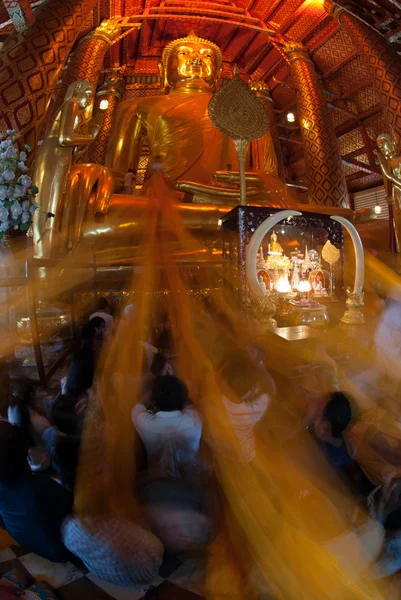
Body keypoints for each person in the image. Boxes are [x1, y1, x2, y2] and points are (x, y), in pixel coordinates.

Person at [0, 420, 73, 562]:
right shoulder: (39, 488)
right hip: (60, 551)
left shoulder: (11, 486)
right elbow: (73, 506)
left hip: (26, 542)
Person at [62, 515, 163, 586]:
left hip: (103, 574)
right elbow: (157, 549)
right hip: (142, 575)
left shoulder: (71, 527)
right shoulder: (122, 526)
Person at [132, 376, 202, 467]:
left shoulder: (144, 423)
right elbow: (189, 404)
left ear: (154, 401)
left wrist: (157, 390)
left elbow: (138, 405)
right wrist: (174, 385)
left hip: (156, 479)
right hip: (191, 478)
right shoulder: (194, 419)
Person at [219, 350, 271, 463]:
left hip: (224, 457)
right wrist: (258, 363)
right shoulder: (260, 404)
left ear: (225, 382)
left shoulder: (218, 404)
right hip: (246, 455)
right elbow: (271, 389)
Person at [65, 316, 106, 398]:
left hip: (72, 387)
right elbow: (90, 369)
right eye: (103, 327)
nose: (105, 330)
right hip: (77, 390)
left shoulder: (86, 340)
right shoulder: (91, 344)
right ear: (96, 328)